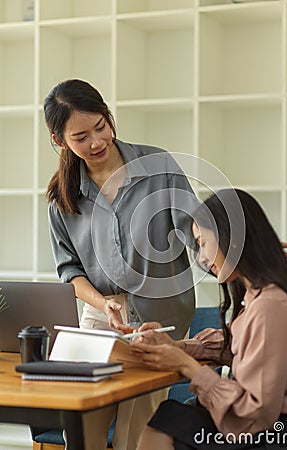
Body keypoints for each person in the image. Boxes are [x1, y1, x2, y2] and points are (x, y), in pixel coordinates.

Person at [44, 78, 198, 450]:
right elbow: (71, 272)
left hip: (160, 315)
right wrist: (103, 304)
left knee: (137, 429)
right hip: (101, 317)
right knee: (81, 424)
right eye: (81, 137)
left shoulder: (157, 166)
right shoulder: (62, 198)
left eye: (101, 126)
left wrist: (249, 245)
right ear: (60, 141)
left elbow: (196, 227)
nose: (97, 142)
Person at [130, 188, 287, 450]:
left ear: (234, 238)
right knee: (171, 417)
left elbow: (256, 413)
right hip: (283, 421)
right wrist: (177, 347)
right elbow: (242, 344)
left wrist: (187, 365)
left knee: (170, 421)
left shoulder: (270, 305)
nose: (202, 258)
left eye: (203, 242)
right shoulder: (257, 295)